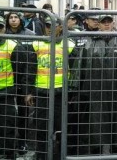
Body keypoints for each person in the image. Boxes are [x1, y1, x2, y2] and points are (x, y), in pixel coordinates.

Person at [77, 14, 117, 155]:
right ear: (98, 24)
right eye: (103, 22)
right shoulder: (90, 42)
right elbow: (81, 66)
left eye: (108, 21)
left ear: (113, 23)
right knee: (97, 120)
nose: (106, 24)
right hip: (97, 89)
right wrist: (79, 86)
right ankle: (97, 148)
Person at [27, 16, 78, 160]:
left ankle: (59, 156)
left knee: (61, 128)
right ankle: (42, 156)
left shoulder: (69, 44)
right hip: (42, 93)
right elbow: (30, 70)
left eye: (54, 26)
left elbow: (75, 71)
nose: (50, 28)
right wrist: (29, 92)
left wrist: (72, 92)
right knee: (42, 129)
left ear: (61, 27)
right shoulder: (37, 44)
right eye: (48, 25)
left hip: (61, 93)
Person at [0, 15, 27, 159]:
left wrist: (17, 89)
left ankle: (9, 153)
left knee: (8, 126)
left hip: (6, 93)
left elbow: (20, 69)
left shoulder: (12, 45)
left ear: (4, 29)